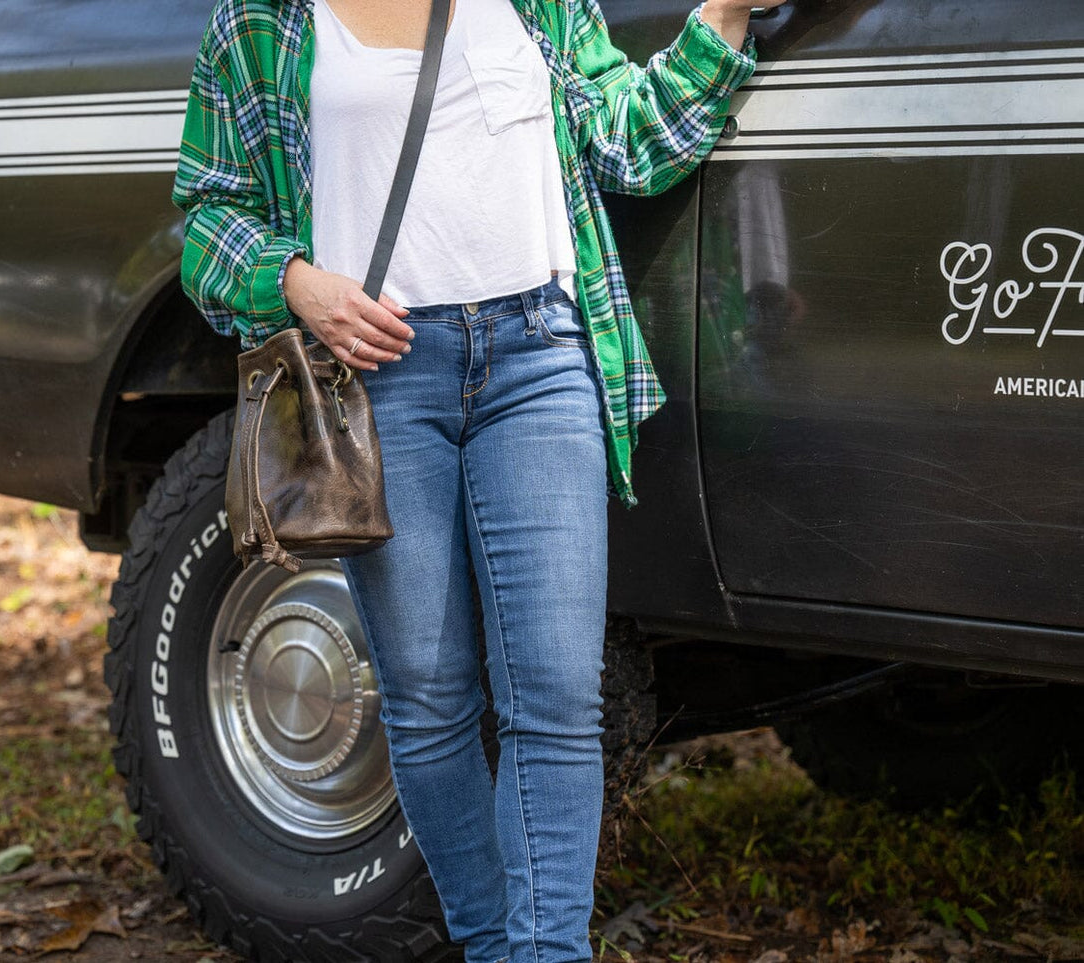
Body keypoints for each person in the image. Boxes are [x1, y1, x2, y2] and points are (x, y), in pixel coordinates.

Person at [172, 0, 777, 959]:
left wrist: (725, 19)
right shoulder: (262, 22)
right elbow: (206, 218)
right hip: (378, 383)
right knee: (427, 696)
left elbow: (631, 139)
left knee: (554, 694)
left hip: (539, 358)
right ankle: (497, 946)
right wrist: (294, 281)